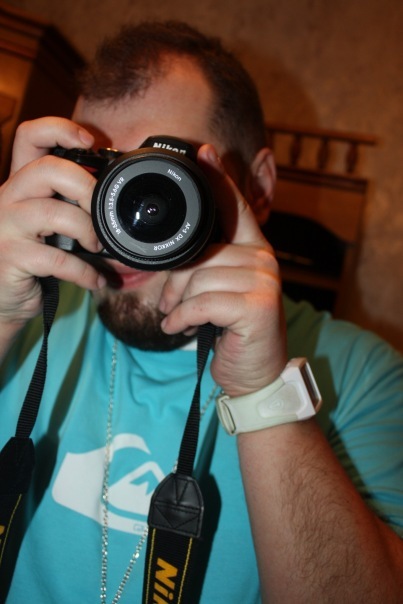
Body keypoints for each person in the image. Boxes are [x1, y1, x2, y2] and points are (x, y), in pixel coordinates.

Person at [0, 20, 403, 604]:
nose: (118, 232)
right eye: (100, 177)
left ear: (257, 188)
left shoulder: (362, 374)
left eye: (156, 179)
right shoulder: (25, 314)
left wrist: (265, 395)